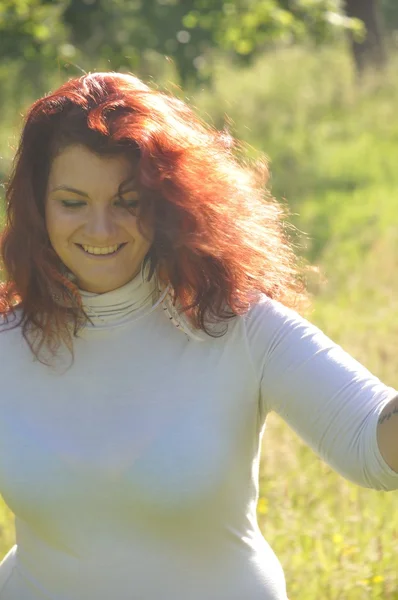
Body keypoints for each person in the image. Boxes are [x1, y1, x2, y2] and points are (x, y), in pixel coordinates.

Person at [0, 72, 397, 600]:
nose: (100, 229)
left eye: (127, 201)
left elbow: (371, 446)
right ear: (36, 206)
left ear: (167, 200)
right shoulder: (7, 341)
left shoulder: (237, 323)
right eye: (72, 202)